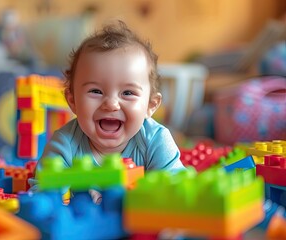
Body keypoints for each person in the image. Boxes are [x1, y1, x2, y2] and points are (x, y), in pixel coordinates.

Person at [29, 20, 185, 199]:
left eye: (127, 93)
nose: (111, 104)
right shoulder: (64, 143)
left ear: (151, 105)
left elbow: (177, 190)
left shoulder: (156, 140)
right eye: (96, 91)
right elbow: (40, 194)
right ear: (72, 101)